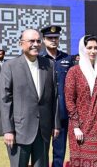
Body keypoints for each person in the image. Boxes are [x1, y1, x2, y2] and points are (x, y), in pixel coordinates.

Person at [0, 29, 60, 167]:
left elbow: (54, 96)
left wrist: (55, 124)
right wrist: (8, 130)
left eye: (38, 41)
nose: (36, 44)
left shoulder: (49, 65)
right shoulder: (10, 66)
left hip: (43, 131)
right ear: (21, 44)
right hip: (19, 132)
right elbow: (5, 100)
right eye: (31, 41)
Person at [65, 35, 97, 166]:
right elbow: (70, 101)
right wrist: (76, 126)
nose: (93, 51)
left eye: (95, 48)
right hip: (81, 129)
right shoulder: (74, 72)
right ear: (83, 49)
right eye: (89, 48)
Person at [40, 25, 74, 167]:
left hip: (62, 112)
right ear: (43, 40)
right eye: (49, 38)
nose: (53, 40)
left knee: (59, 152)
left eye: (56, 38)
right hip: (44, 113)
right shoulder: (39, 58)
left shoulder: (67, 58)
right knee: (42, 152)